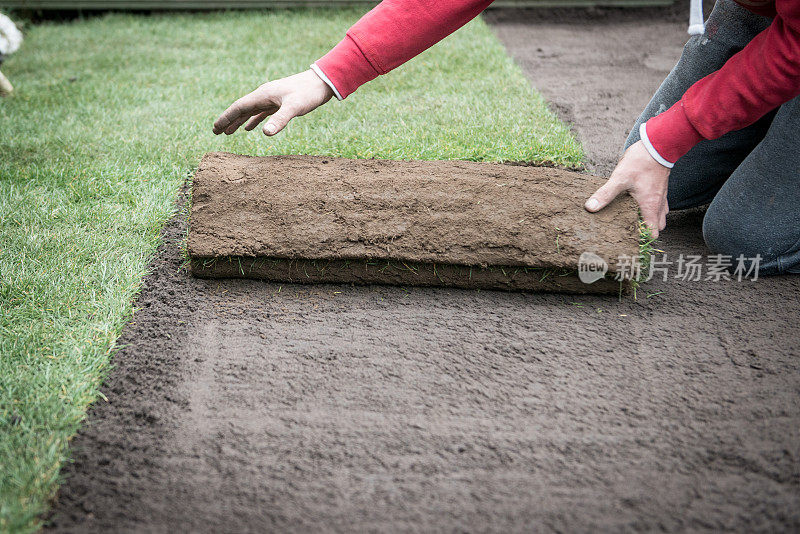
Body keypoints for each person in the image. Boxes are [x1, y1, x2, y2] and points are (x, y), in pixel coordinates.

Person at [213, 0, 800, 275]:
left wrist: (674, 135)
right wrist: (331, 73)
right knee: (643, 162)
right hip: (761, 11)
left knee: (743, 234)